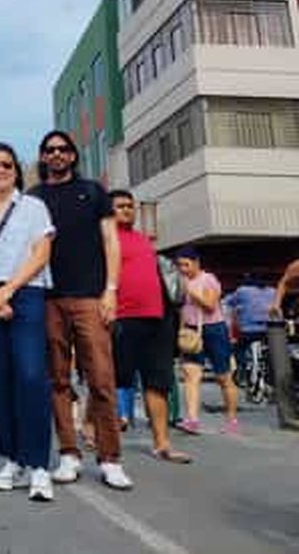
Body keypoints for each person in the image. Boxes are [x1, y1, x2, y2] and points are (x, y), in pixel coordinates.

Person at [30, 130, 132, 490]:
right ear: (43, 157)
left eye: (63, 150)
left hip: (90, 297)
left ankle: (110, 458)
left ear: (72, 156)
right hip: (48, 299)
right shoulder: (34, 198)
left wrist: (111, 291)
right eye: (50, 150)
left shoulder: (93, 192)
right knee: (57, 380)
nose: (56, 155)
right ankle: (69, 453)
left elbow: (110, 242)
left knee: (102, 378)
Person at [0, 142, 55, 502]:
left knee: (31, 377)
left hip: (27, 292)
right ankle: (12, 459)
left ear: (16, 170)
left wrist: (11, 289)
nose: (0, 170)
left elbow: (42, 251)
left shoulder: (33, 206)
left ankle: (39, 465)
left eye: (6, 165)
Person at [109, 190, 190, 463]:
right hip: (120, 320)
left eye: (130, 206)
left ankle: (162, 443)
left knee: (157, 384)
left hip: (157, 320)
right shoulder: (104, 241)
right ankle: (90, 428)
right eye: (120, 206)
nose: (127, 210)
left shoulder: (145, 241)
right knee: (108, 379)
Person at [175, 248, 238, 435]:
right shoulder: (180, 282)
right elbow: (182, 309)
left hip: (214, 329)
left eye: (186, 264)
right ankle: (192, 419)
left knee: (223, 377)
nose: (183, 269)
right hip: (191, 331)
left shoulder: (208, 279)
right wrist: (181, 331)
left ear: (196, 262)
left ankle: (232, 419)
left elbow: (210, 305)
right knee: (191, 375)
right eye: (180, 265)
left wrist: (190, 291)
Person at [226, 274, 276, 377]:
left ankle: (242, 368)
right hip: (268, 330)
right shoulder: (273, 291)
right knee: (270, 350)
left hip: (248, 331)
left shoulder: (243, 291)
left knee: (238, 348)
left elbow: (229, 302)